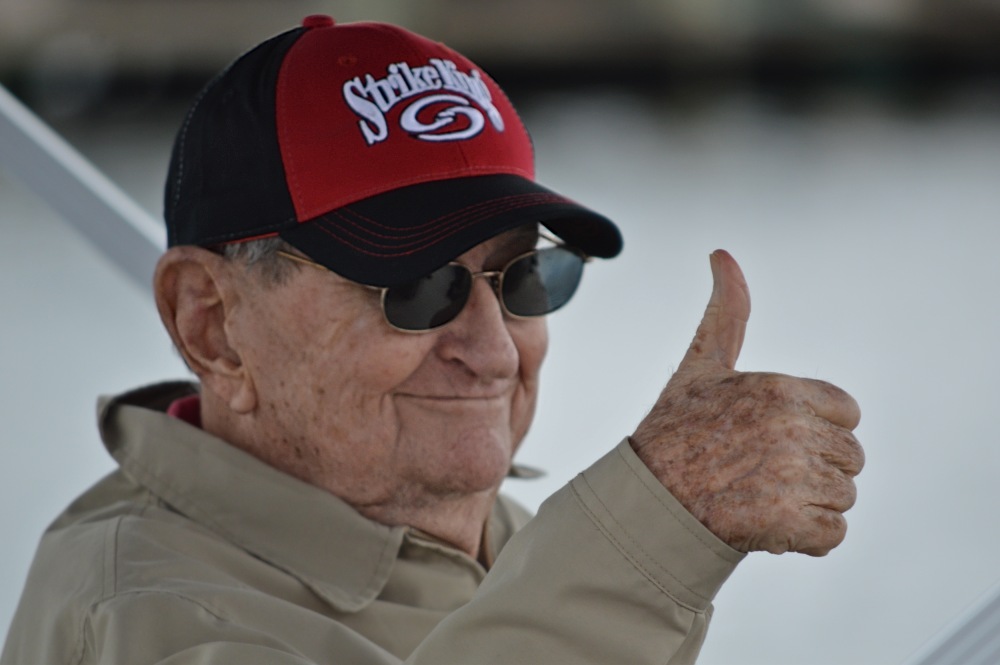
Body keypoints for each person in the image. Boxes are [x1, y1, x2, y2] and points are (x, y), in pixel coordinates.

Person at [2, 15, 863, 665]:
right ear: (212, 325)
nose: (493, 349)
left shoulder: (518, 543)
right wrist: (660, 524)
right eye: (417, 286)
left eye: (526, 274)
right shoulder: (143, 619)